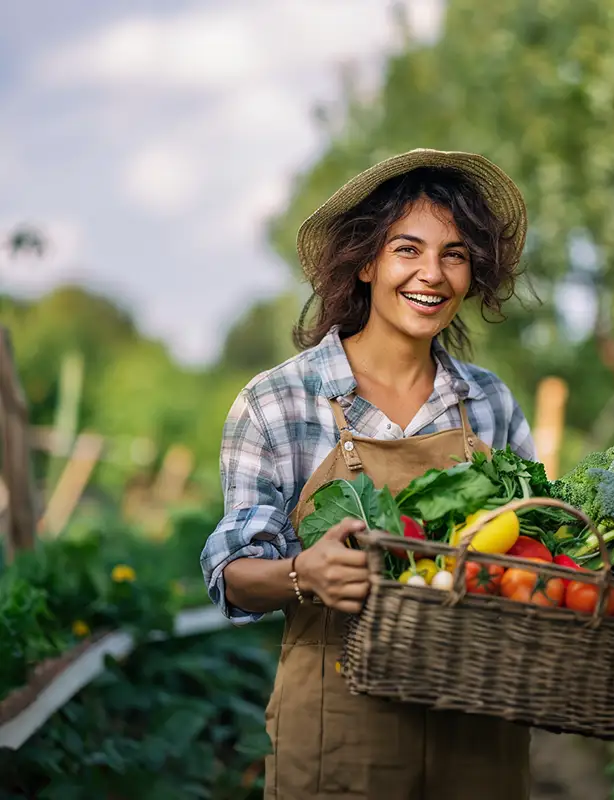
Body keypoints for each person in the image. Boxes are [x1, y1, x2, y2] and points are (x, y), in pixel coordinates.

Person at [201, 148, 537, 799]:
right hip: (338, 741)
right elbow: (231, 573)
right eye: (407, 250)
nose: (432, 274)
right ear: (364, 261)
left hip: (478, 741)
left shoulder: (490, 404)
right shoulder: (278, 402)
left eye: (456, 254)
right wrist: (304, 572)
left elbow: (535, 550)